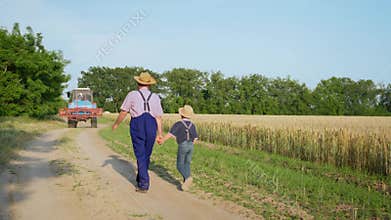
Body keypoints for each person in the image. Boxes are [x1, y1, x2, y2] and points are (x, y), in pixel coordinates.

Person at [112, 72, 163, 193]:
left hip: (137, 124)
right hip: (151, 125)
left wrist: (116, 124)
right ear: (149, 84)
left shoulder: (132, 94)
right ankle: (141, 177)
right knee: (146, 154)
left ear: (138, 83)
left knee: (140, 154)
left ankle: (143, 184)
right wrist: (160, 134)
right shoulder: (155, 97)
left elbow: (124, 112)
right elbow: (159, 117)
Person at [158, 105, 198, 191]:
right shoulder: (192, 125)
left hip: (182, 145)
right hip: (191, 145)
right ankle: (185, 184)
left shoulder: (178, 124)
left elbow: (170, 134)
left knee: (179, 165)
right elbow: (195, 139)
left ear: (181, 115)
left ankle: (187, 178)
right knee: (187, 163)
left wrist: (162, 141)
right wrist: (190, 144)